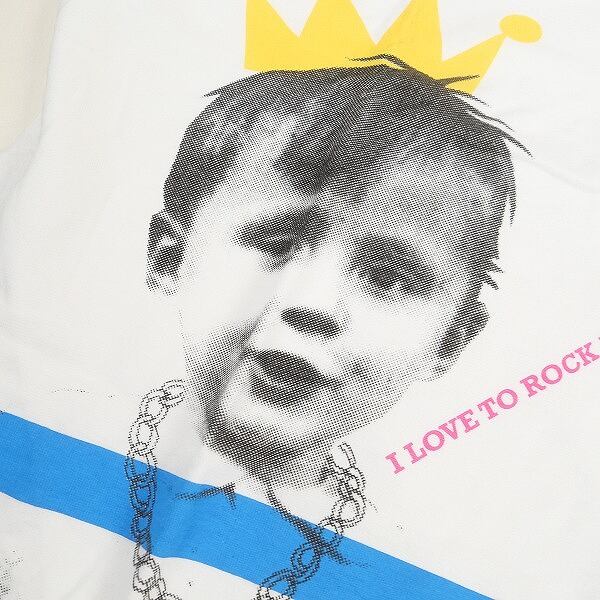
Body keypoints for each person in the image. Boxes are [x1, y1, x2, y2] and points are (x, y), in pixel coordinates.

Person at [139, 59, 520, 598]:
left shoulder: (431, 569)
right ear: (170, 257)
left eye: (391, 277)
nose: (313, 304)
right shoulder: (49, 434)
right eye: (278, 240)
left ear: (450, 341)